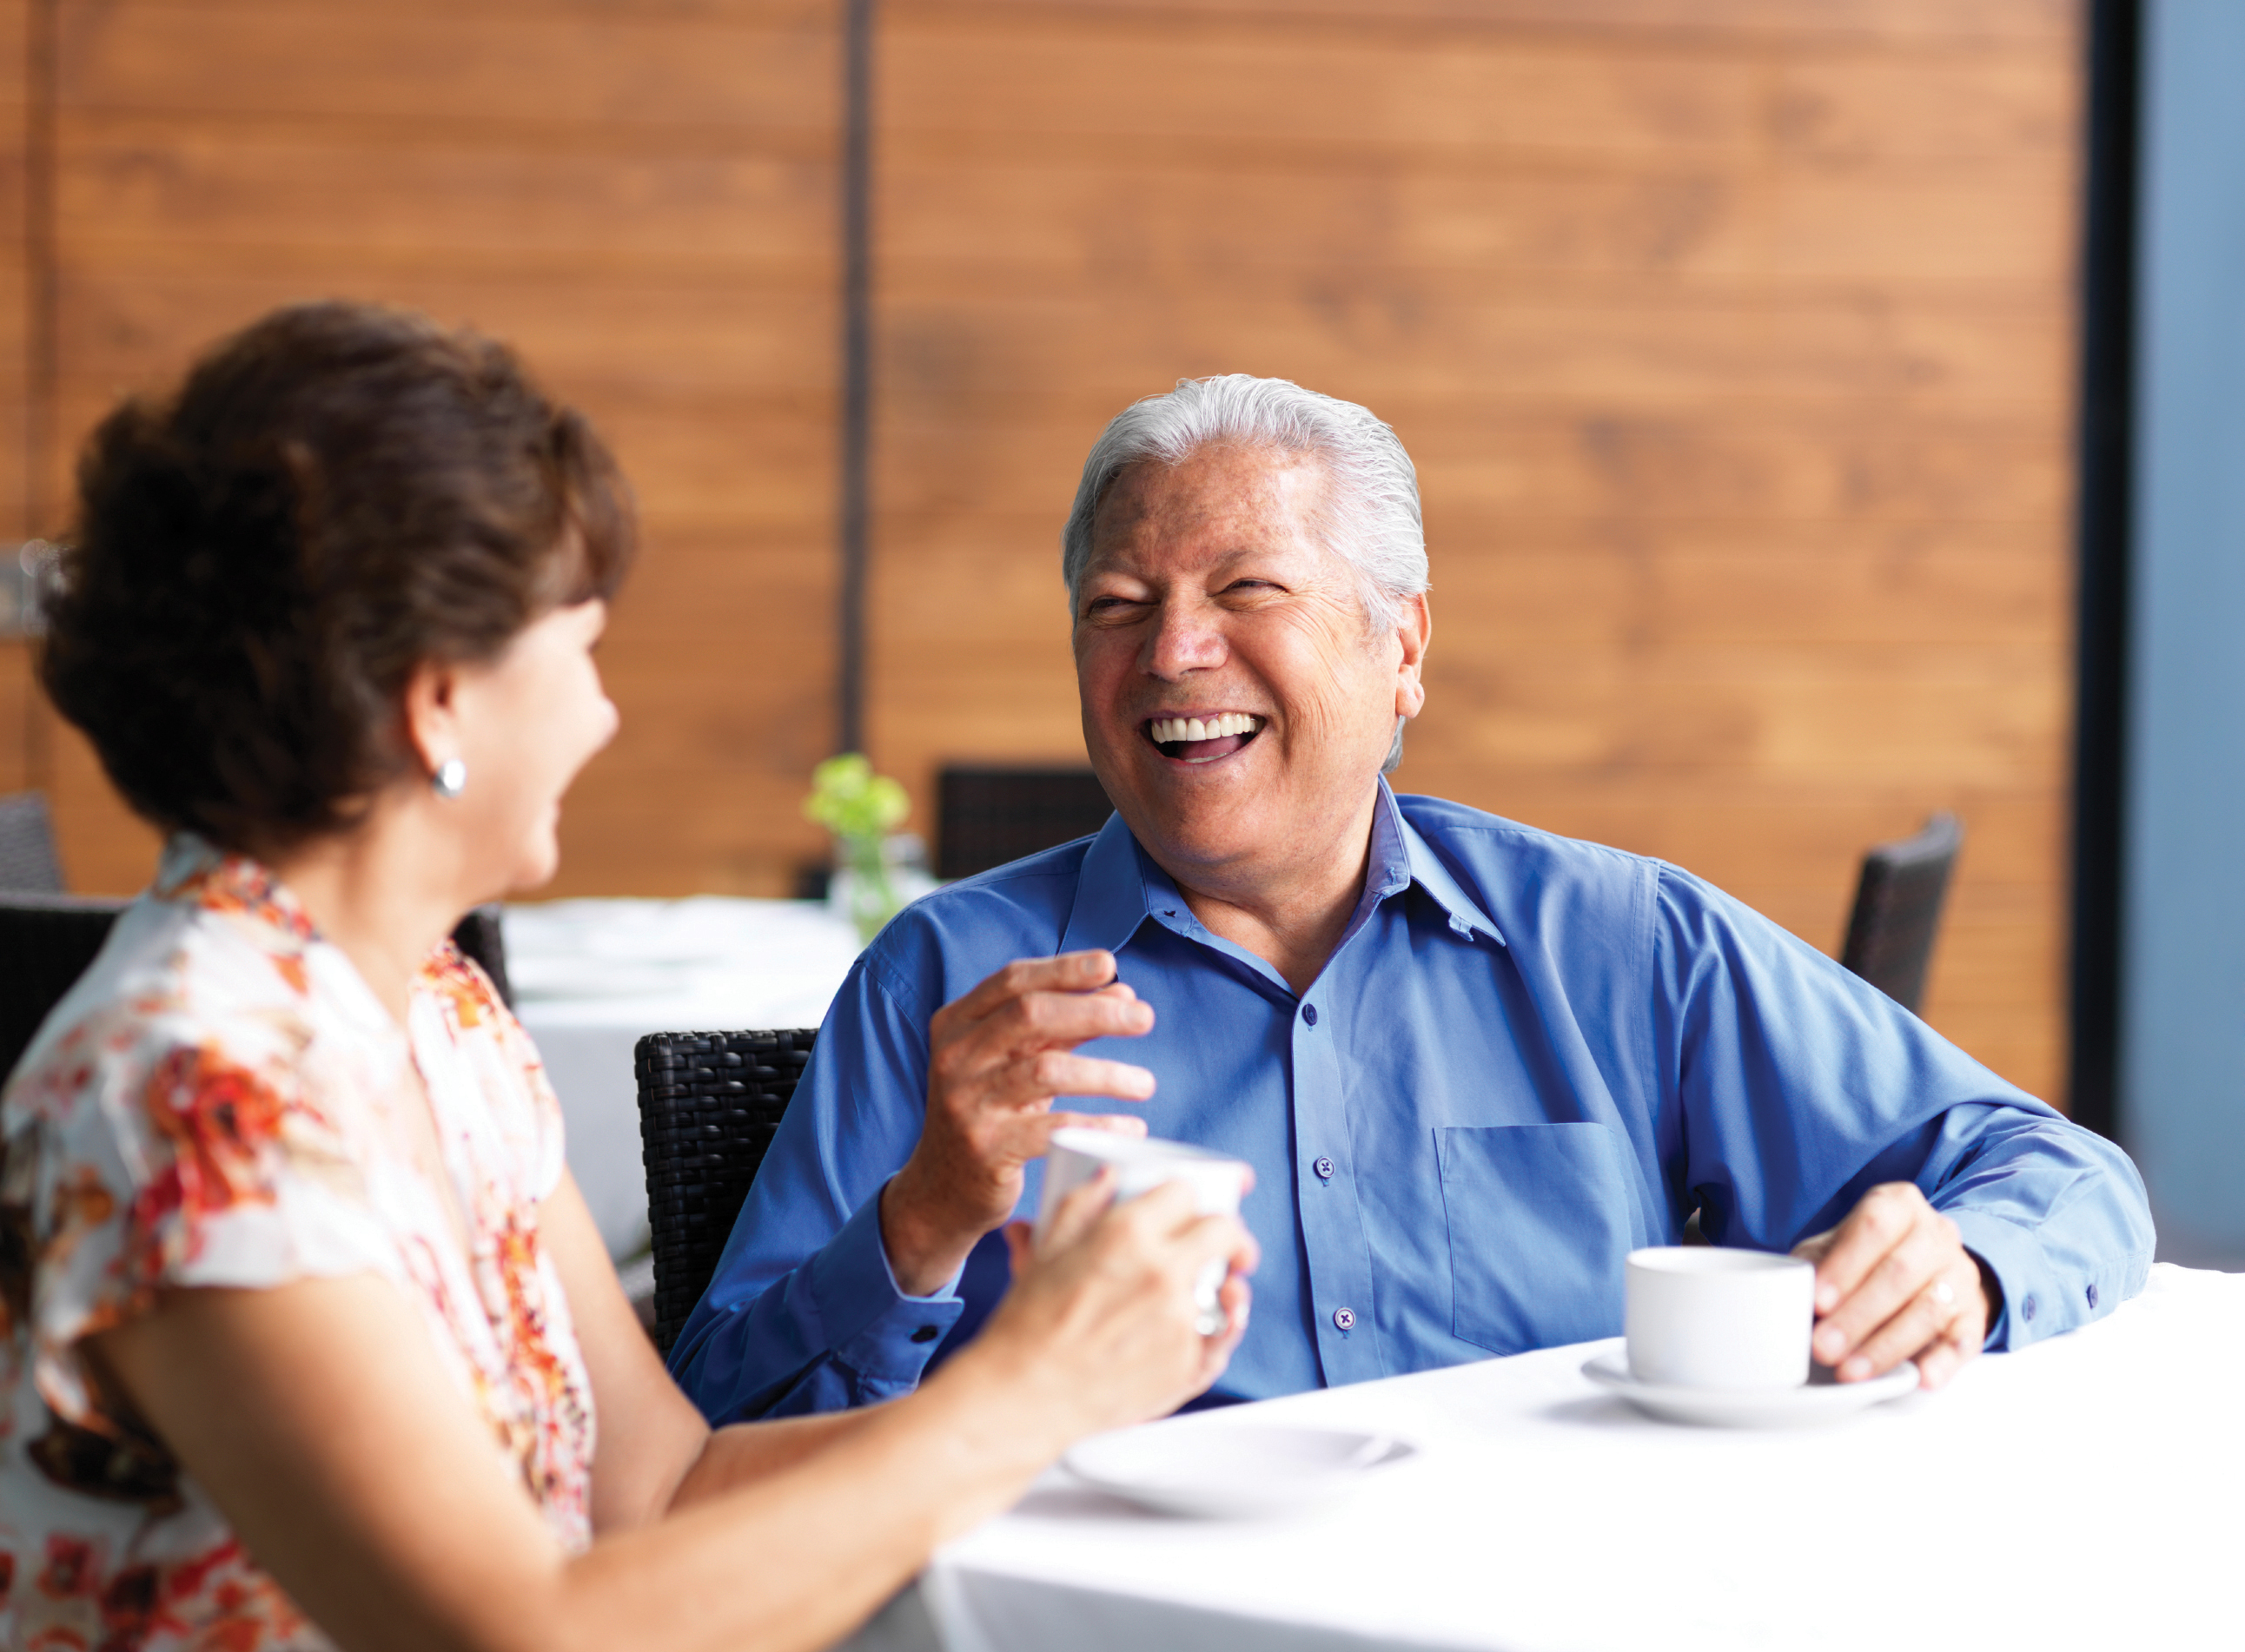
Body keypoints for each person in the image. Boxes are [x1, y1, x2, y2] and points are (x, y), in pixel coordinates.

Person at [0, 304, 1256, 1652]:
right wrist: (1023, 1389)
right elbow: (525, 1635)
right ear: (437, 702)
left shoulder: (440, 1013)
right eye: (580, 645)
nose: (603, 712)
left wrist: (1072, 1405)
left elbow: (664, 1489)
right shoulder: (191, 1089)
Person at [672, 373, 2155, 1425]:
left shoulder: (1616, 942)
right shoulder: (955, 976)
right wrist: (927, 1213)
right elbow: (713, 1446)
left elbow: (2063, 1173)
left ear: (1403, 649)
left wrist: (1962, 1258)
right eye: (1118, 609)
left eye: (1248, 591)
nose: (1175, 652)